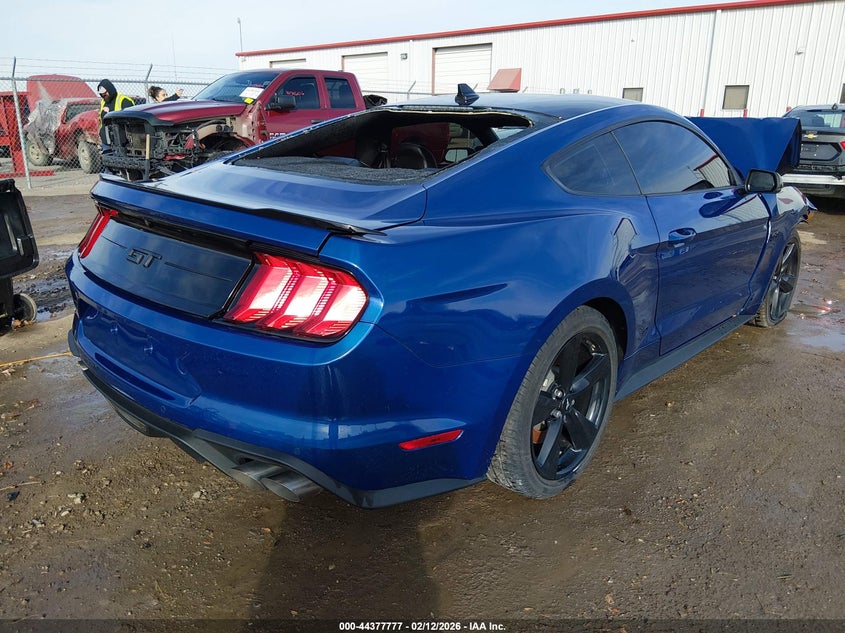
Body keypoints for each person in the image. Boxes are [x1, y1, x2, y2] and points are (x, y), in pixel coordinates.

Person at [97, 79, 134, 143]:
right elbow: (101, 120)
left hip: (121, 142)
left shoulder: (124, 101)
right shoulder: (103, 102)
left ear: (110, 89)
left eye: (105, 93)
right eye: (102, 94)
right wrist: (101, 133)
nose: (104, 95)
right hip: (106, 141)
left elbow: (130, 121)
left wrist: (110, 113)